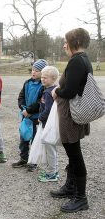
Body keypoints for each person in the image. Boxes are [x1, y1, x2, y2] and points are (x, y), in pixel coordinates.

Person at [50, 28, 91, 213]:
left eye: (66, 41)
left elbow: (69, 91)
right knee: (72, 153)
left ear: (74, 42)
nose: (64, 45)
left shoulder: (76, 61)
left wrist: (56, 91)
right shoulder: (84, 59)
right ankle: (71, 187)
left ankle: (81, 198)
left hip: (70, 116)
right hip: (74, 114)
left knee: (75, 155)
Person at [12, 59, 47, 171]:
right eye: (33, 70)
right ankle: (23, 159)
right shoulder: (27, 83)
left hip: (36, 118)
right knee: (24, 138)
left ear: (43, 73)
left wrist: (29, 111)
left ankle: (33, 162)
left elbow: (40, 102)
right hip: (25, 116)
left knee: (35, 140)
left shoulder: (44, 86)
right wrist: (23, 108)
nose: (33, 72)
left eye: (37, 70)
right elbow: (21, 97)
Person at [37, 66, 59, 182]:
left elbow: (48, 109)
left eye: (45, 78)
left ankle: (51, 174)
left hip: (49, 125)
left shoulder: (49, 93)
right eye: (42, 77)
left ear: (53, 78)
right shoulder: (53, 90)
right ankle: (54, 170)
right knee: (52, 149)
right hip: (51, 125)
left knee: (50, 149)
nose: (42, 79)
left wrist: (40, 118)